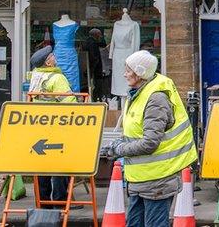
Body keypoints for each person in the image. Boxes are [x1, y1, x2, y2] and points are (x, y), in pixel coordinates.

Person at [102, 51, 198, 227]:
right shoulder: (140, 93)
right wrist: (118, 144)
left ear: (140, 73)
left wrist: (118, 149)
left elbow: (149, 143)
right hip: (141, 179)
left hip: (157, 181)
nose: (124, 74)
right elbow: (137, 132)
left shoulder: (156, 98)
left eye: (128, 70)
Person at [28, 46, 77, 207]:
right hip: (58, 128)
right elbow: (70, 104)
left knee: (42, 166)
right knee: (60, 166)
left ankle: (43, 202)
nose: (55, 57)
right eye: (52, 56)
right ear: (48, 63)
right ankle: (61, 200)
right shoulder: (57, 79)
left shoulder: (35, 76)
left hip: (39, 127)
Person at [80, 28, 108, 100]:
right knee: (95, 86)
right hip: (94, 69)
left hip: (90, 68)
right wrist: (92, 69)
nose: (100, 36)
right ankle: (95, 99)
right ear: (96, 35)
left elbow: (103, 44)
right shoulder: (93, 43)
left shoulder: (89, 41)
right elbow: (94, 58)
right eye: (99, 35)